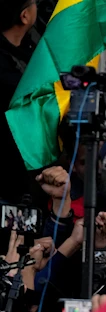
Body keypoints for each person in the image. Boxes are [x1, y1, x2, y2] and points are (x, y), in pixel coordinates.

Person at [0, 0, 39, 205]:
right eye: (34, 3)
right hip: (10, 166)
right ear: (24, 16)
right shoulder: (5, 66)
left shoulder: (30, 49)